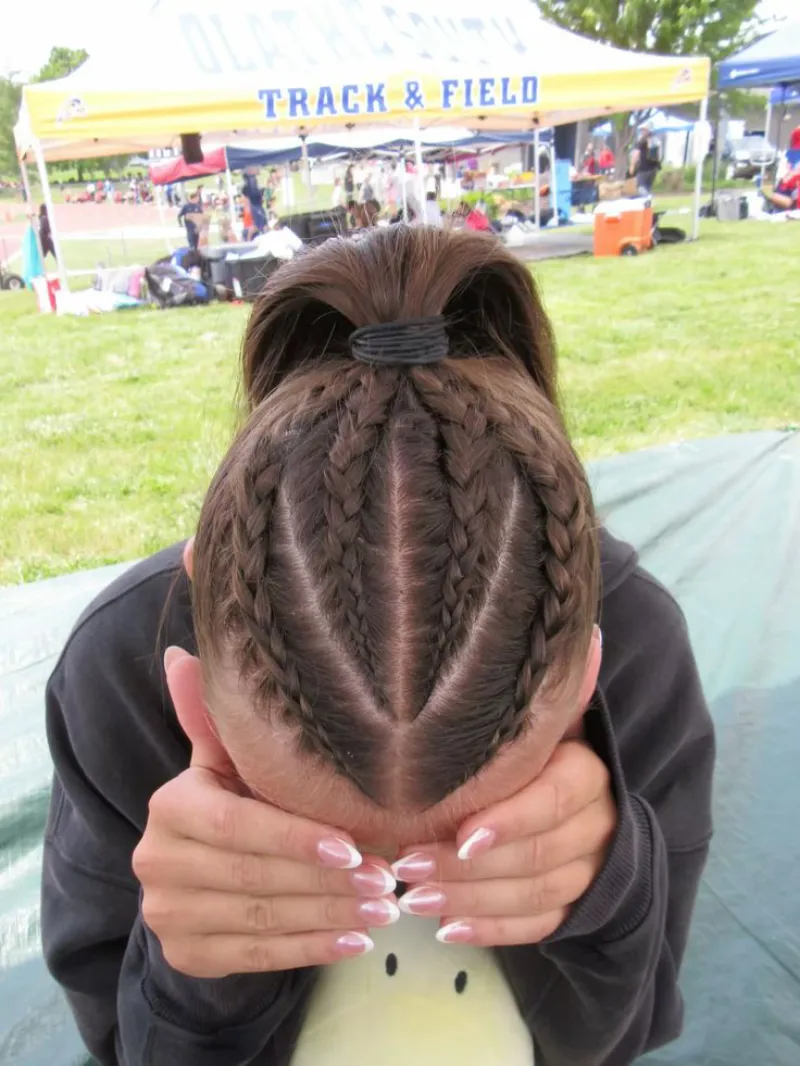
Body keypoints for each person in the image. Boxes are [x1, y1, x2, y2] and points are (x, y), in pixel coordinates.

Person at [41, 227, 713, 1066]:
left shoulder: (644, 647)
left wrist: (614, 885)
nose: (394, 872)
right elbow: (120, 1044)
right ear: (190, 689)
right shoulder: (115, 677)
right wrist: (192, 970)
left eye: (472, 824)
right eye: (310, 822)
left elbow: (627, 1029)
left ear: (586, 675)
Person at [630, 122, 661, 197]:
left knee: (640, 187)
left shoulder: (642, 141)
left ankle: (649, 197)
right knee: (647, 187)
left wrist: (632, 166)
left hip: (643, 168)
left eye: (643, 130)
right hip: (653, 169)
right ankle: (648, 203)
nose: (642, 131)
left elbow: (636, 154)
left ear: (647, 130)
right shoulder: (655, 139)